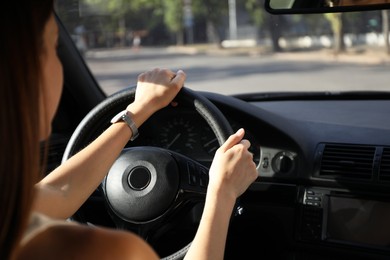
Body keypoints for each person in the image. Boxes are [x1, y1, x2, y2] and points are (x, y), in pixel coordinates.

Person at [0, 1, 258, 260]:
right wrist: (222, 192)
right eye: (54, 48)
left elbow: (59, 191)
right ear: (26, 70)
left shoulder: (11, 212)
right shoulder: (114, 251)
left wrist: (139, 111)